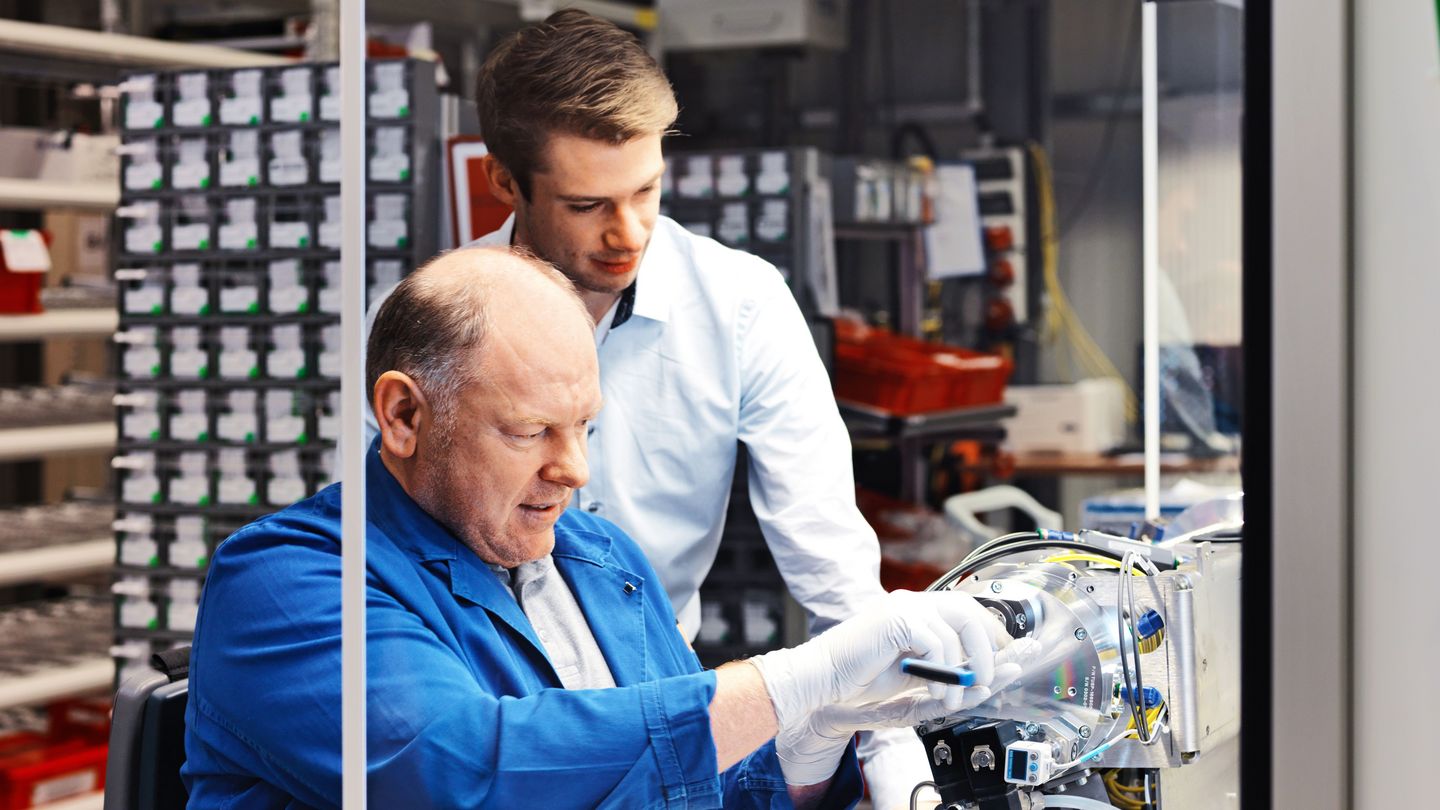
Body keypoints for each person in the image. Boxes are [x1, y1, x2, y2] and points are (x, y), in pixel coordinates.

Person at [183, 248, 1025, 808]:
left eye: (584, 426)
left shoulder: (598, 560)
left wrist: (810, 744)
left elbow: (693, 786)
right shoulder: (285, 584)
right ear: (404, 415)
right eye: (529, 432)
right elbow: (467, 774)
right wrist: (790, 681)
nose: (574, 468)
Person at [362, 12, 931, 803]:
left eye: (647, 192)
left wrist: (887, 745)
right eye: (589, 204)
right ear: (504, 182)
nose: (628, 234)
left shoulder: (740, 304)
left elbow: (829, 560)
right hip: (488, 717)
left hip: (667, 709)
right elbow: (377, 543)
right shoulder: (427, 323)